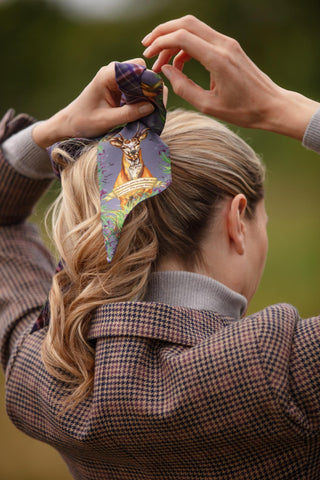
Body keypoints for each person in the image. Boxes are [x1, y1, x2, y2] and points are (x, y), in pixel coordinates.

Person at [1, 15, 320, 480]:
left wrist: (55, 128)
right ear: (237, 221)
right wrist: (284, 108)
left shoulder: (47, 372)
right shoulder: (290, 367)